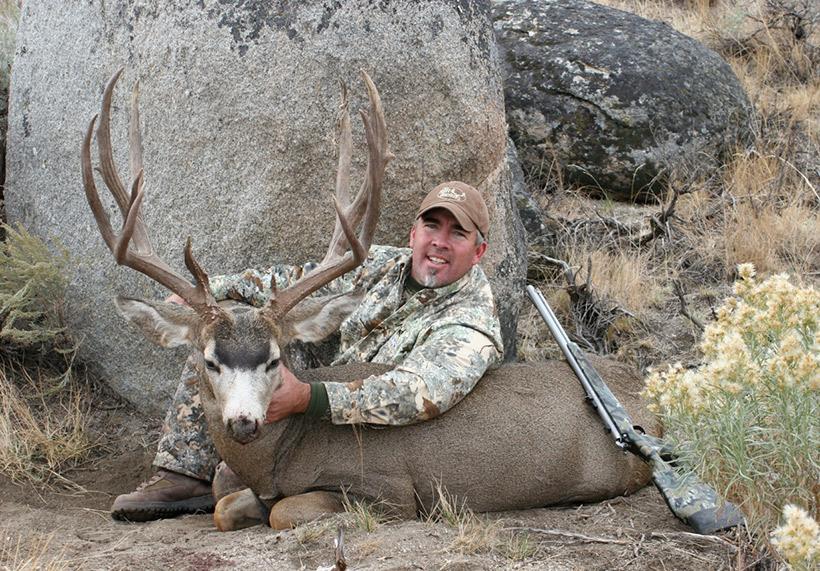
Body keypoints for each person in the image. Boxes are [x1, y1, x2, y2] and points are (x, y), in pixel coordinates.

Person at [111, 181, 504, 521]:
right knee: (223, 327)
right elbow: (288, 282)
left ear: (479, 250)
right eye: (432, 226)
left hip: (378, 428)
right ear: (412, 232)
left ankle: (254, 474)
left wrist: (308, 397)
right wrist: (206, 295)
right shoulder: (383, 264)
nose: (439, 242)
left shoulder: (471, 320)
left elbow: (418, 392)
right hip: (322, 396)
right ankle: (185, 472)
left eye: (458, 233)